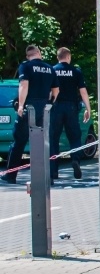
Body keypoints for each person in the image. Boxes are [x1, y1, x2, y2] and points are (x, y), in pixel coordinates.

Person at [2, 45, 59, 184]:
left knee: (19, 141)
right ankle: (48, 177)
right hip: (44, 107)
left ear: (28, 56)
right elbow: (56, 90)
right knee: (45, 142)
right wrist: (50, 102)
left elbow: (24, 85)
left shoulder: (25, 66)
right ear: (39, 53)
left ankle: (10, 175)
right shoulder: (50, 68)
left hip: (29, 106)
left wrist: (21, 105)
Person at [49, 47, 91, 180]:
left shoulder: (52, 70)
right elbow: (83, 91)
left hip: (56, 107)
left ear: (58, 57)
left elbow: (49, 91)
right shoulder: (76, 71)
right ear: (69, 57)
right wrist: (88, 109)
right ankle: (76, 160)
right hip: (72, 108)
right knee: (75, 137)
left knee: (53, 138)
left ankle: (53, 170)